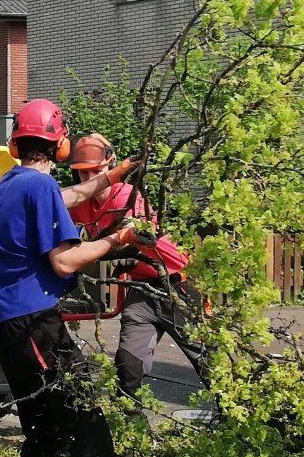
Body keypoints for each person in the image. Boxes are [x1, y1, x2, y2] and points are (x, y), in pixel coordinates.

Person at [0, 98, 153, 457]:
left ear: (19, 142)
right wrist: (116, 241)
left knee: (44, 433)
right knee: (90, 429)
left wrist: (111, 176)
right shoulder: (35, 186)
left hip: (13, 325)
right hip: (36, 324)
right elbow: (62, 260)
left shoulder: (15, 184)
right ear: (58, 143)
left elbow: (68, 193)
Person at [67, 132, 203, 400]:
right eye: (83, 173)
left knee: (208, 361)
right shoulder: (81, 206)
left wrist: (93, 257)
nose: (90, 179)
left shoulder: (126, 196)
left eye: (96, 171)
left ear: (112, 166)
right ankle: (128, 424)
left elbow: (127, 246)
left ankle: (237, 416)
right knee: (128, 366)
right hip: (142, 288)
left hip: (177, 284)